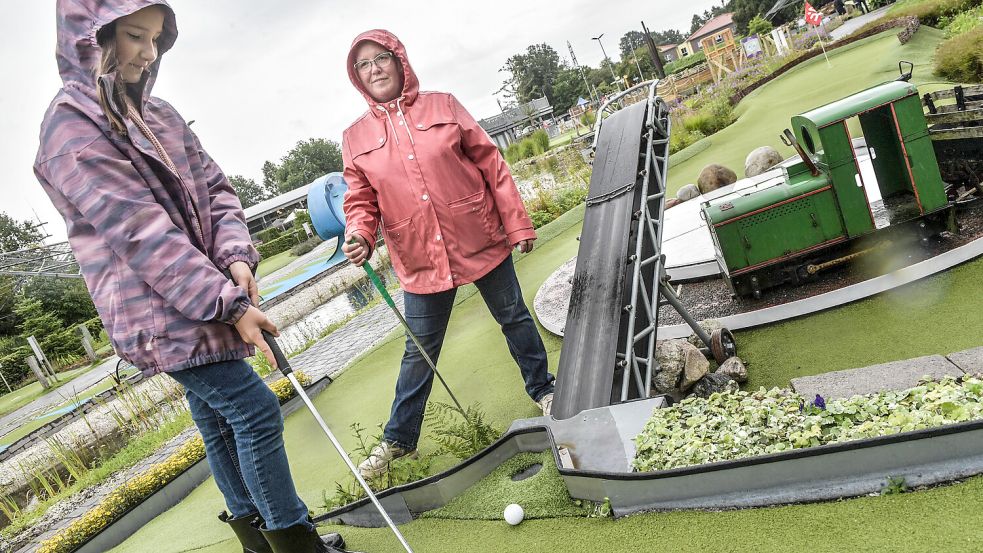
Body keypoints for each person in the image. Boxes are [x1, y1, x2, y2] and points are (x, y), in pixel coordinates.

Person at [34, 2, 354, 552]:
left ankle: (257, 540)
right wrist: (227, 303)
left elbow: (218, 189)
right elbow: (140, 232)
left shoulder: (161, 115)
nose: (148, 52)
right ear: (92, 38)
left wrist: (236, 259)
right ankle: (293, 543)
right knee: (252, 410)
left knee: (216, 417)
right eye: (134, 36)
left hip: (207, 290)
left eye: (156, 39)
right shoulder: (70, 128)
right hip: (159, 309)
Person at [340, 29, 556, 478]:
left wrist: (517, 223)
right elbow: (360, 200)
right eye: (364, 64)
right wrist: (359, 233)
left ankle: (545, 390)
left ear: (399, 61)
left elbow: (490, 163)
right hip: (419, 258)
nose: (374, 68)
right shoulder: (354, 137)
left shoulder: (444, 104)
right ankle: (399, 440)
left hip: (480, 237)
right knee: (419, 349)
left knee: (513, 317)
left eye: (380, 58)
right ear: (356, 77)